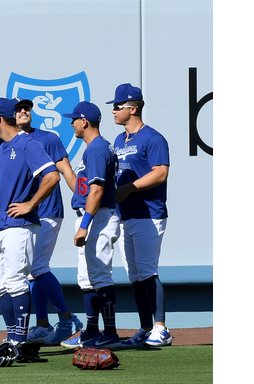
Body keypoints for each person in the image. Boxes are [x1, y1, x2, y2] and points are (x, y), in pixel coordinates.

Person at [0, 97, 60, 347]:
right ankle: (13, 334)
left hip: (21, 224)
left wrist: (30, 204)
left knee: (15, 280)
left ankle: (19, 340)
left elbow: (52, 175)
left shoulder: (27, 143)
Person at [106, 83, 173, 348]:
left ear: (133, 108)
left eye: (118, 106)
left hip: (149, 213)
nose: (113, 110)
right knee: (134, 275)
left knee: (147, 270)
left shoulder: (153, 138)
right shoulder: (120, 140)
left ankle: (161, 327)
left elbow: (160, 172)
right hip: (126, 214)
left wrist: (128, 188)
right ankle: (146, 327)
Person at [12, 97, 83, 345]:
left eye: (26, 108)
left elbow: (67, 172)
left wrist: (82, 201)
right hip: (24, 214)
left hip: (48, 210)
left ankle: (67, 318)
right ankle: (42, 325)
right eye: (19, 109)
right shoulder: (5, 142)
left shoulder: (48, 138)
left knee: (38, 266)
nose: (23, 111)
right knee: (32, 271)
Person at [58, 101, 122, 349]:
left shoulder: (96, 150)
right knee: (87, 278)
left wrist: (85, 224)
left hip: (99, 216)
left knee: (100, 276)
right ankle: (92, 332)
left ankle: (111, 332)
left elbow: (96, 190)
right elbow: (85, 189)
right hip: (94, 214)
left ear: (84, 121)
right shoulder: (97, 147)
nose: (72, 123)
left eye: (73, 119)